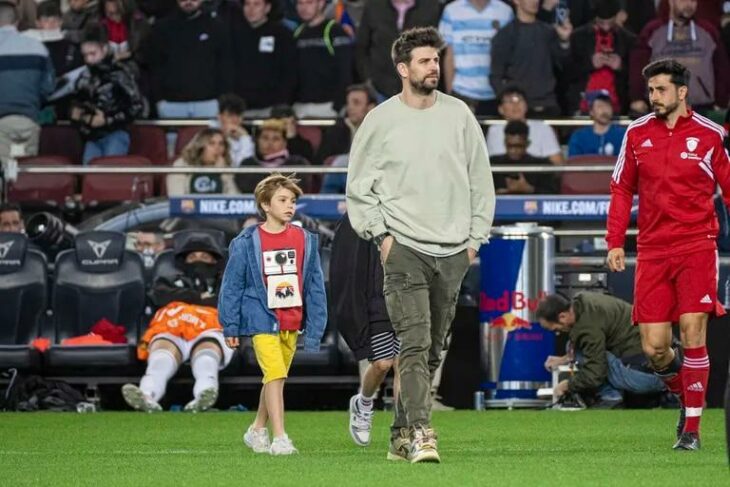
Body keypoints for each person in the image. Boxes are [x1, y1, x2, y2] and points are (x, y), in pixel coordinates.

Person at [346, 27, 495, 463]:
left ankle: (398, 435)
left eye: (436, 60)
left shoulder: (460, 115)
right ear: (403, 68)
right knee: (412, 343)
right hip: (404, 247)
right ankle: (423, 434)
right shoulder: (381, 119)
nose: (434, 68)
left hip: (453, 250)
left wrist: (473, 242)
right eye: (426, 61)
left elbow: (480, 181)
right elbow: (358, 188)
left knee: (430, 350)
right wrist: (383, 236)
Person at [606, 59, 730, 451]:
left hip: (697, 244)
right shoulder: (637, 133)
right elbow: (621, 189)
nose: (653, 97)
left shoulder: (712, 135)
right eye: (650, 90)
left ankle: (692, 430)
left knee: (693, 332)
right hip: (653, 250)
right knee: (655, 348)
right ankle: (686, 398)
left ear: (681, 92)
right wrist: (614, 241)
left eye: (660, 90)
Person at [219, 173, 328, 455]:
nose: (289, 205)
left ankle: (257, 428)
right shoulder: (246, 241)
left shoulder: (306, 239)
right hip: (261, 317)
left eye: (292, 201)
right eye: (282, 200)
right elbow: (232, 285)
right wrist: (230, 326)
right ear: (265, 205)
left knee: (273, 378)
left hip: (292, 319)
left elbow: (316, 285)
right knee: (276, 374)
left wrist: (316, 328)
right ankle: (280, 438)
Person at [122, 234, 232, 412]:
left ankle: (204, 395)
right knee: (162, 349)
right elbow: (160, 296)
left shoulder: (226, 282)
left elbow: (227, 301)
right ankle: (147, 396)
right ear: (183, 261)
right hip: (173, 328)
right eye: (192, 257)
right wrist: (200, 297)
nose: (198, 261)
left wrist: (183, 298)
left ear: (215, 260)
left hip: (211, 329)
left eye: (204, 257)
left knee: (207, 351)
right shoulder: (169, 280)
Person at [330, 213, 401, 446]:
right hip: (376, 302)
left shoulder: (410, 207)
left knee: (406, 365)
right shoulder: (359, 216)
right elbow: (345, 268)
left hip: (408, 297)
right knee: (382, 364)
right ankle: (364, 402)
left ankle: (402, 429)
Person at [537, 293, 667, 407]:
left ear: (562, 316)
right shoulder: (582, 303)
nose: (558, 333)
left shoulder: (588, 328)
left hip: (642, 359)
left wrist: (567, 385)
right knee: (576, 349)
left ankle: (669, 385)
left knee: (587, 359)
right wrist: (564, 359)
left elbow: (595, 373)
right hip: (643, 350)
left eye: (556, 329)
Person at [629, 0, 730, 115]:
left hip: (702, 108)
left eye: (693, 1)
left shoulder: (708, 31)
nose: (689, 5)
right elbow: (638, 66)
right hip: (662, 108)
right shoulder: (652, 31)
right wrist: (636, 98)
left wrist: (721, 101)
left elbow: (722, 68)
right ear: (671, 2)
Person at [141, 0, 232, 119]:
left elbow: (226, 66)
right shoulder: (161, 28)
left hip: (208, 104)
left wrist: (221, 100)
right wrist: (159, 100)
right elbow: (154, 67)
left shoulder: (217, 27)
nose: (188, 1)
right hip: (171, 105)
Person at [70, 24, 144, 164]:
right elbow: (75, 104)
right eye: (85, 55)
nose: (89, 60)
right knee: (90, 178)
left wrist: (108, 120)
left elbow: (137, 106)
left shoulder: (120, 73)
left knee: (109, 178)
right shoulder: (84, 76)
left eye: (93, 54)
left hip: (115, 134)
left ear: (104, 49)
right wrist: (77, 114)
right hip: (90, 137)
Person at [489, 0, 572, 117]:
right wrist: (509, 102)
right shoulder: (505, 36)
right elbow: (495, 76)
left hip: (547, 105)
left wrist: (564, 41)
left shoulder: (548, 32)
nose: (535, 1)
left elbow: (564, 64)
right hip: (518, 110)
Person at [0, 0, 54, 160]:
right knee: (23, 180)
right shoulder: (38, 48)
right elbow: (48, 88)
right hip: (29, 122)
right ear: (16, 22)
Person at [439, 0, 513, 116]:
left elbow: (511, 55)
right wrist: (450, 95)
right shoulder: (451, 10)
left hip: (497, 94)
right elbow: (449, 56)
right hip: (461, 92)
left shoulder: (505, 11)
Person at [355, 0, 440, 101]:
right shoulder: (373, 6)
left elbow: (439, 49)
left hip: (420, 91)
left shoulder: (431, 7)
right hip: (380, 91)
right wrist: (368, 79)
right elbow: (361, 47)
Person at [566, 0, 636, 115]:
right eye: (602, 23)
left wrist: (620, 66)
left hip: (617, 107)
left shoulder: (628, 39)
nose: (606, 28)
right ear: (595, 19)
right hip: (582, 105)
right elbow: (566, 73)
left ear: (617, 17)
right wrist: (589, 64)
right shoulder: (578, 37)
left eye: (610, 23)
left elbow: (637, 76)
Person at [233, 0, 296, 118]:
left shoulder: (282, 34)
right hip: (241, 108)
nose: (251, 9)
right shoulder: (234, 34)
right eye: (247, 4)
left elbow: (290, 72)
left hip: (271, 108)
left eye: (256, 4)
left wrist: (282, 104)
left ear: (267, 8)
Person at [292, 0, 352, 118]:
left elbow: (345, 71)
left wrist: (338, 105)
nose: (304, 8)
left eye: (309, 3)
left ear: (321, 4)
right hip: (300, 106)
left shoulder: (335, 31)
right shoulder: (297, 33)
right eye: (300, 3)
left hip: (328, 105)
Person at [486, 87, 564, 165]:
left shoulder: (543, 128)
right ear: (501, 109)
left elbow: (557, 162)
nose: (515, 104)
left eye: (519, 100)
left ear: (526, 105)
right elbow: (492, 164)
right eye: (509, 101)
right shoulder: (494, 130)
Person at [234, 119, 312, 193]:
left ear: (285, 143)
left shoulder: (298, 163)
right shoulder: (248, 164)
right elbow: (246, 189)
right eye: (265, 138)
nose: (270, 143)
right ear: (257, 141)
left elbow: (298, 189)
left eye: (276, 139)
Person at [315, 83, 376, 165]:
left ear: (370, 107)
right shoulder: (336, 131)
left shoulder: (381, 130)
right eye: (348, 103)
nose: (350, 107)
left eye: (356, 103)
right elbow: (321, 161)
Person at [491, 121, 559, 194]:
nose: (513, 151)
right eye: (510, 146)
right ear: (504, 142)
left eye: (518, 146)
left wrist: (529, 189)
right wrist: (497, 194)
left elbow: (554, 195)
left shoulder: (542, 166)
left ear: (527, 143)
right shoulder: (493, 164)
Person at [166, 128, 239, 196]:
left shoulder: (226, 167)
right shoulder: (182, 164)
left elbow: (235, 200)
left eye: (221, 144)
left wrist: (224, 173)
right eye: (211, 143)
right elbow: (176, 198)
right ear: (200, 146)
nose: (217, 148)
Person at [23, 1, 83, 76]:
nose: (51, 25)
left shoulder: (71, 48)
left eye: (55, 20)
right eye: (46, 20)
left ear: (61, 22)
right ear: (37, 23)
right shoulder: (31, 47)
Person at [567, 92, 626, 157]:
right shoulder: (579, 137)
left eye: (607, 105)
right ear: (591, 112)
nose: (604, 110)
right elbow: (574, 164)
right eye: (600, 106)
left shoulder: (623, 135)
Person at [210, 94, 254, 167]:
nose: (235, 120)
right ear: (219, 116)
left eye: (238, 115)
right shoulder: (208, 136)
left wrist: (245, 138)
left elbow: (245, 166)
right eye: (230, 115)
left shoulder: (247, 139)